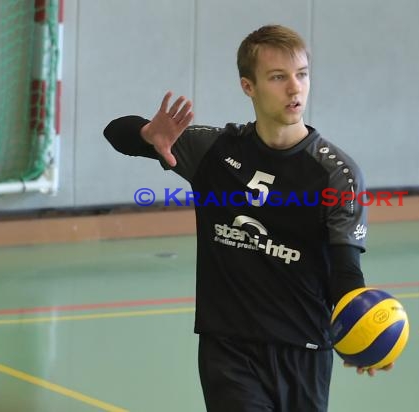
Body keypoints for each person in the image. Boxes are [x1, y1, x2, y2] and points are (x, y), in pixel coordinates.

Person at [104, 24, 392, 412]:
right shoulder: (215, 150)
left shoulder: (336, 174)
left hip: (303, 348)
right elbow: (115, 133)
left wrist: (361, 330)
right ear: (248, 86)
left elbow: (345, 271)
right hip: (228, 346)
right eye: (278, 77)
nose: (295, 88)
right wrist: (146, 133)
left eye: (302, 75)